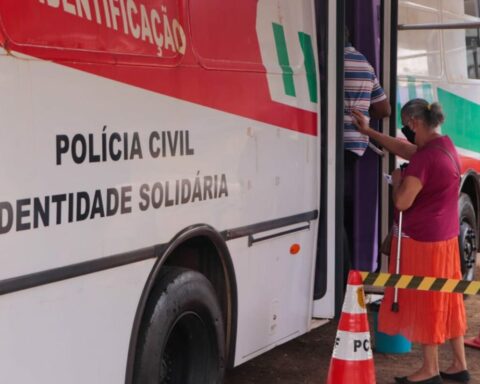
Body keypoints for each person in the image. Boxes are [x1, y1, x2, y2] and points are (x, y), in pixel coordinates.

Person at [352, 99, 469, 384]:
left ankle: (429, 369)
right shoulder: (444, 146)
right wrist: (370, 132)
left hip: (422, 242)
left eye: (407, 127)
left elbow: (403, 202)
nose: (406, 132)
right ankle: (458, 365)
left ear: (414, 123)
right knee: (449, 299)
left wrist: (396, 181)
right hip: (445, 239)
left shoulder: (425, 160)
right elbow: (409, 150)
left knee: (426, 300)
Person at [343, 26, 390, 271]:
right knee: (344, 203)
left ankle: (342, 266)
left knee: (334, 208)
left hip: (335, 144)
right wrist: (361, 111)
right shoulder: (365, 64)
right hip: (356, 146)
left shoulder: (330, 62)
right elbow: (384, 110)